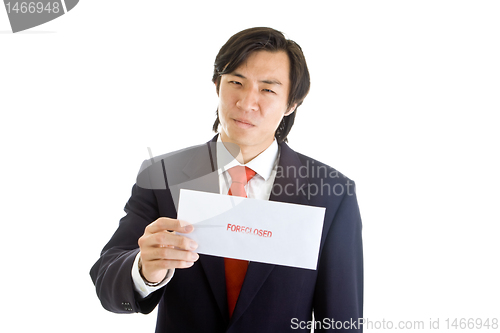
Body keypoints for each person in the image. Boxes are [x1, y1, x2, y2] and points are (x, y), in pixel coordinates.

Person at [90, 27, 363, 332]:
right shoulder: (162, 176)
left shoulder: (330, 194)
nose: (247, 103)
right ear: (217, 85)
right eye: (236, 82)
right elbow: (106, 281)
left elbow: (341, 321)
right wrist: (143, 270)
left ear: (292, 103)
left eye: (268, 89)